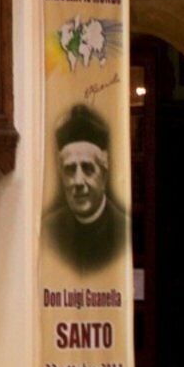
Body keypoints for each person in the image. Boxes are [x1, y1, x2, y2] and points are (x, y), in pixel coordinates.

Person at [45, 101, 123, 274]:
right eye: (70, 169)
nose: (78, 181)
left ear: (104, 174)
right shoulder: (48, 230)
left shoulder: (122, 230)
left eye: (87, 168)